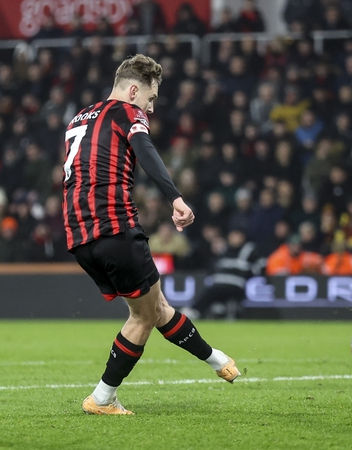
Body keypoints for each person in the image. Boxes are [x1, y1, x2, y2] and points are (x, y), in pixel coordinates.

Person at [63, 55, 240, 415]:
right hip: (115, 226)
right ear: (133, 91)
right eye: (151, 97)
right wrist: (176, 198)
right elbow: (145, 150)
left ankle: (217, 360)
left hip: (80, 236)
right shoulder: (128, 112)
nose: (151, 108)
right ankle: (102, 398)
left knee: (155, 308)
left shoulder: (79, 118)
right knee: (144, 317)